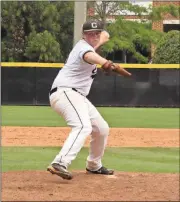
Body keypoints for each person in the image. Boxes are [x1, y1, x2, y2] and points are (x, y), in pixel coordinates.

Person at [47, 19, 116, 180]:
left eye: (96, 33)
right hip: (65, 92)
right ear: (83, 35)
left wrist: (100, 38)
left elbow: (105, 35)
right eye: (90, 33)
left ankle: (94, 165)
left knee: (101, 129)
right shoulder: (82, 48)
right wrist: (105, 62)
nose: (94, 36)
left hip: (76, 96)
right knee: (82, 126)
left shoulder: (91, 43)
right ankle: (60, 162)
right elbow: (90, 55)